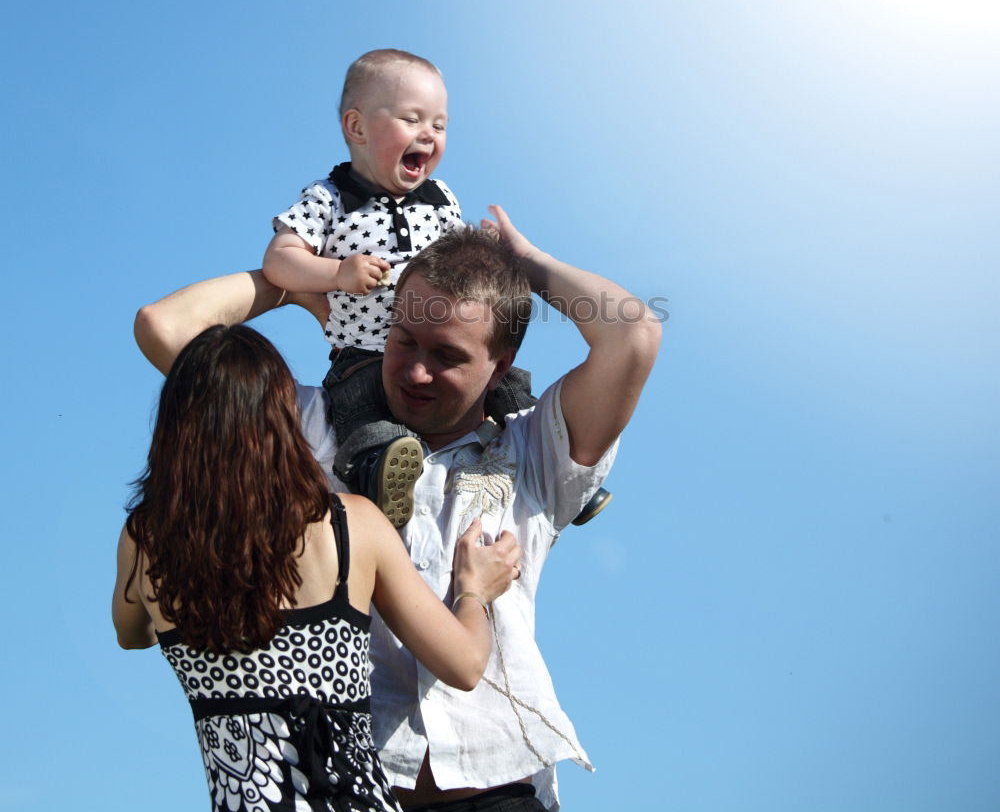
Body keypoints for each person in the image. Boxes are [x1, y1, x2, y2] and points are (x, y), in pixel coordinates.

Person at [134, 206, 661, 812]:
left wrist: (530, 267)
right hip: (354, 787)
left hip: (503, 785)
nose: (414, 370)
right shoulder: (313, 429)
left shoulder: (536, 447)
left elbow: (634, 333)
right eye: (403, 339)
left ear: (503, 363)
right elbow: (164, 326)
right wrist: (297, 283)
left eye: (447, 355)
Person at [113, 324, 521, 812]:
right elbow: (464, 664)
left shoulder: (146, 540)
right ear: (283, 418)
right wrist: (473, 590)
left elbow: (131, 634)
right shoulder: (352, 526)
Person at [261, 50, 605, 527]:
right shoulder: (329, 198)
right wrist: (335, 274)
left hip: (439, 341)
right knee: (362, 416)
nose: (429, 134)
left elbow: (456, 261)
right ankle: (377, 476)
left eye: (440, 125)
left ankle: (569, 473)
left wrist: (486, 255)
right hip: (362, 351)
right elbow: (279, 259)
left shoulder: (440, 197)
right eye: (412, 119)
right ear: (357, 128)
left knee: (508, 386)